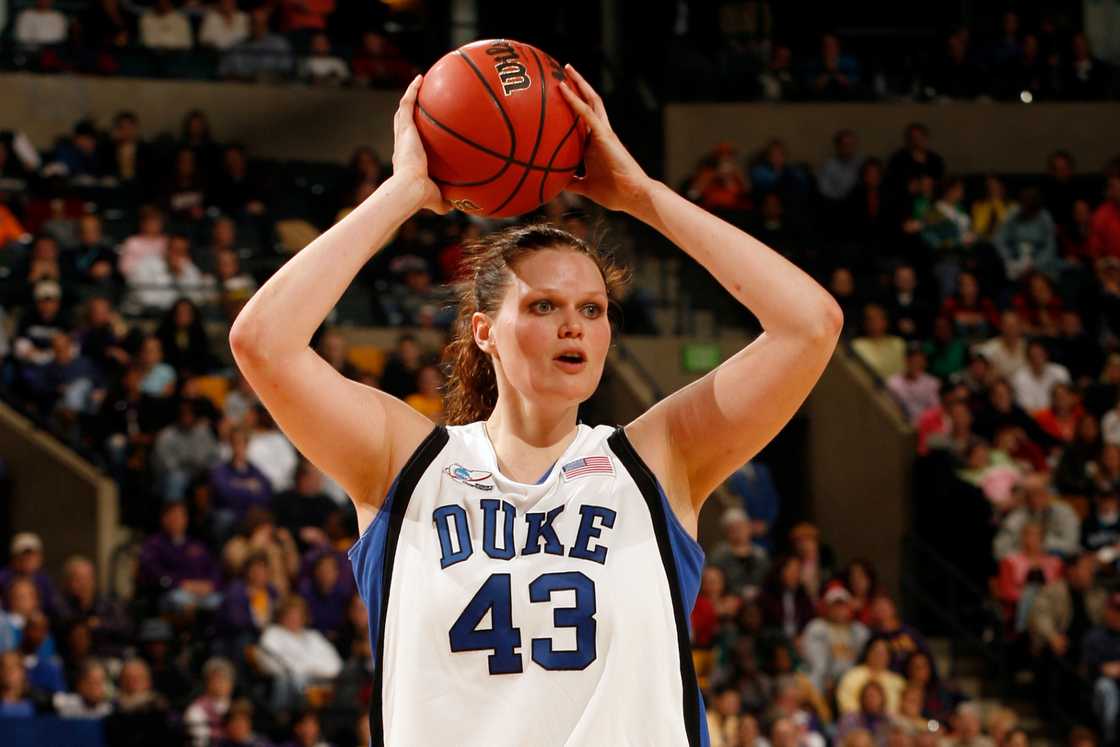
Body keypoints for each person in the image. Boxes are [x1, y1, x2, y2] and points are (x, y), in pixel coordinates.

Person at [228, 69, 842, 745]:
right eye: (543, 306)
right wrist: (404, 193)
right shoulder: (410, 465)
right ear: (485, 330)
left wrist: (645, 197)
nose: (573, 324)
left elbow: (808, 324)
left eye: (592, 308)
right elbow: (264, 341)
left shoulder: (656, 462)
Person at [802, 584, 870, 694]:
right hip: (825, 680)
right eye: (835, 606)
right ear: (828, 608)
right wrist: (829, 678)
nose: (839, 610)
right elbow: (817, 662)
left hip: (852, 680)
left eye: (843, 605)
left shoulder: (859, 630)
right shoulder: (817, 627)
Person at [1085, 593, 1120, 746]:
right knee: (1105, 687)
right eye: (1115, 610)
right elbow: (1091, 668)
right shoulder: (1095, 636)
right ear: (1108, 611)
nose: (1118, 615)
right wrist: (1106, 670)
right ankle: (1109, 740)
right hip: (1100, 688)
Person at [183, 657, 236, 747]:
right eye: (217, 679)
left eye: (226, 679)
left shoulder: (237, 707)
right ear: (207, 682)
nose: (221, 683)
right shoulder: (196, 710)